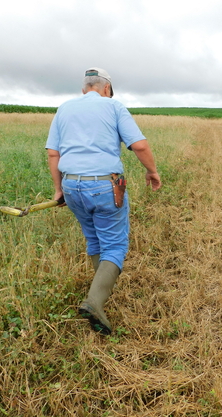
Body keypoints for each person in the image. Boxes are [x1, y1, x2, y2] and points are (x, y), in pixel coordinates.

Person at [46, 67, 161, 335]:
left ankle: (102, 288)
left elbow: (54, 154)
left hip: (71, 183)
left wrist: (58, 189)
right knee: (115, 245)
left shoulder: (64, 108)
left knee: (94, 239)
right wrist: (152, 172)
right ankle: (95, 301)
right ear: (106, 89)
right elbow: (140, 146)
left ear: (84, 88)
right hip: (105, 185)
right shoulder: (114, 107)